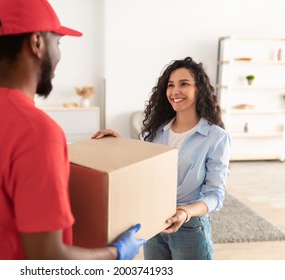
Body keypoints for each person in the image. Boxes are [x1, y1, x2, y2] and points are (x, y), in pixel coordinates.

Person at [0, 0, 145, 260]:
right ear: (37, 42)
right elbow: (50, 257)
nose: (59, 56)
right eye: (58, 43)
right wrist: (116, 253)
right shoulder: (38, 132)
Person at [92, 57, 231, 260]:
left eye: (184, 84)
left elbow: (215, 195)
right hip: (154, 221)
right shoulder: (155, 132)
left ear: (199, 89)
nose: (175, 91)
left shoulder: (216, 137)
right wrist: (117, 144)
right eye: (170, 85)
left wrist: (185, 212)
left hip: (190, 226)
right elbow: (141, 167)